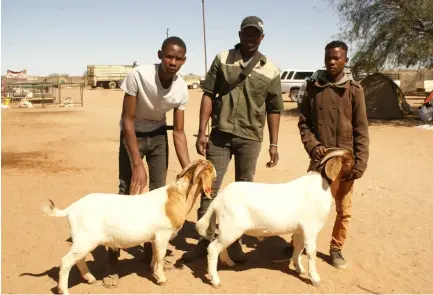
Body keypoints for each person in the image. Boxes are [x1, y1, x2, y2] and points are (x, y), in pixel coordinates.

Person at [181, 16, 284, 263]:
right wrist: (202, 131)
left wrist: (274, 144)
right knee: (209, 189)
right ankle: (205, 240)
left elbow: (275, 108)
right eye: (247, 33)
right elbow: (207, 94)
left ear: (262, 37)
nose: (250, 38)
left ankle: (233, 242)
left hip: (250, 138)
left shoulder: (271, 69)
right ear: (239, 34)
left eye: (255, 34)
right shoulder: (222, 58)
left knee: (244, 193)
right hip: (220, 135)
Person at [271, 40, 370, 269]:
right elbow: (304, 123)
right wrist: (314, 146)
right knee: (305, 205)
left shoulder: (354, 90)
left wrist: (359, 164)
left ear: (345, 60)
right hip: (319, 161)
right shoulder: (314, 87)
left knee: (343, 209)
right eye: (328, 58)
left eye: (337, 58)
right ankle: (298, 245)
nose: (332, 62)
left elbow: (361, 130)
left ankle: (336, 248)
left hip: (345, 162)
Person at [102, 36, 191, 288]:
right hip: (132, 134)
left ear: (184, 61)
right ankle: (112, 259)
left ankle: (149, 253)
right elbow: (127, 120)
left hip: (158, 136)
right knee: (126, 191)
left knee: (158, 193)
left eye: (178, 58)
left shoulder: (181, 88)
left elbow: (180, 132)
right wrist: (137, 164)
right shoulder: (138, 75)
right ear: (160, 54)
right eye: (169, 56)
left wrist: (187, 169)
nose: (173, 62)